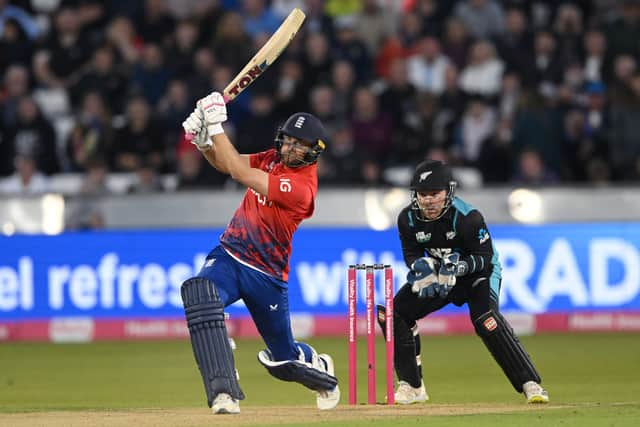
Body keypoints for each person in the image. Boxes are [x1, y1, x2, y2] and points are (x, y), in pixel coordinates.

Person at [180, 91, 340, 414]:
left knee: (282, 361)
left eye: (300, 145)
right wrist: (203, 142)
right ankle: (224, 391)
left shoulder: (302, 189)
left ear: (314, 153)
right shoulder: (272, 157)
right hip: (230, 254)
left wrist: (215, 125)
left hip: (266, 275)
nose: (290, 148)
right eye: (288, 141)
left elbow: (241, 174)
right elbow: (229, 164)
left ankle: (320, 369)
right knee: (201, 294)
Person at [380, 159, 549, 405]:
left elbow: (485, 257)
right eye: (422, 194)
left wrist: (460, 267)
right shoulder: (407, 219)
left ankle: (530, 385)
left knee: (486, 320)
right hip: (442, 273)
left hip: (477, 274)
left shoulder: (469, 218)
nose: (427, 200)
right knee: (394, 313)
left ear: (448, 192)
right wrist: (421, 267)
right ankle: (412, 386)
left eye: (434, 194)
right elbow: (411, 253)